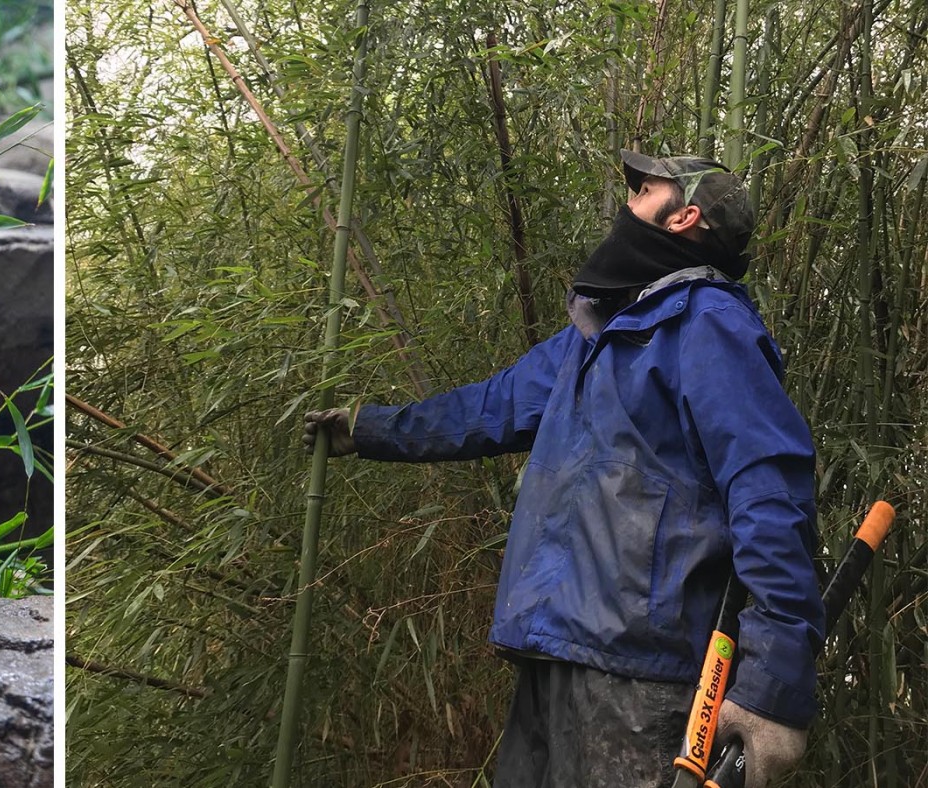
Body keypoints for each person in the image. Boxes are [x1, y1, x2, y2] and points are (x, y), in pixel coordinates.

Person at [303, 150, 824, 788]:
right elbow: (487, 408)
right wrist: (370, 429)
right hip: (553, 651)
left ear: (685, 216)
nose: (628, 197)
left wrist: (775, 685)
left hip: (643, 672)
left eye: (645, 187)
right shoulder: (593, 336)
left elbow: (770, 489)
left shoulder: (707, 323)